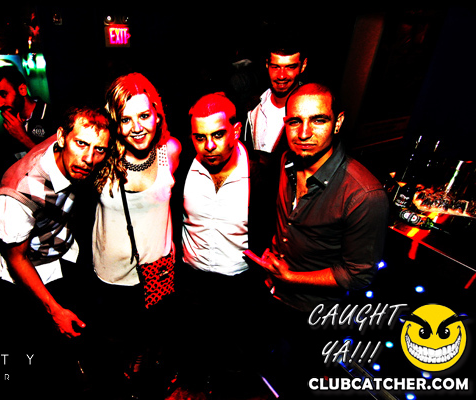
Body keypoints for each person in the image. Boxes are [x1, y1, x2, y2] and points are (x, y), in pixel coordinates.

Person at [245, 83, 389, 396]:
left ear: (338, 122)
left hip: (315, 314)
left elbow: (359, 275)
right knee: (265, 371)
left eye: (318, 120)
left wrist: (291, 276)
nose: (304, 132)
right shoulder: (286, 161)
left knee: (300, 381)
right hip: (272, 295)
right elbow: (288, 220)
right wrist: (274, 251)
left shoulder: (364, 195)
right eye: (295, 121)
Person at [172, 92, 274, 397]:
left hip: (239, 286)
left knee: (234, 366)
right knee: (192, 354)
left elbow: (275, 223)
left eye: (217, 135)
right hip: (192, 282)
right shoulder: (182, 167)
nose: (209, 146)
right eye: (199, 137)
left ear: (236, 129)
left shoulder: (261, 173)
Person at [91, 72, 181, 398]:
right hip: (112, 275)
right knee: (119, 346)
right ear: (115, 121)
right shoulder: (101, 158)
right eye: (126, 119)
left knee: (154, 339)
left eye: (144, 115)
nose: (137, 127)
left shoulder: (170, 151)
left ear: (157, 113)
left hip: (158, 270)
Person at [0, 106, 112, 342]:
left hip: (65, 252)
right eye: (81, 144)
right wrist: (54, 310)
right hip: (35, 272)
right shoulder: (17, 193)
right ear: (61, 137)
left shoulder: (71, 146)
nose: (89, 159)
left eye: (99, 149)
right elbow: (16, 258)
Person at [243, 41, 307, 165]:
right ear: (267, 64)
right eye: (275, 67)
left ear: (303, 66)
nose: (281, 76)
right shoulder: (253, 106)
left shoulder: (309, 113)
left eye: (290, 67)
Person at [0, 65, 55, 159]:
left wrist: (23, 138)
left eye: (3, 94)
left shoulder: (55, 116)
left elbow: (58, 163)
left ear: (22, 90)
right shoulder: (10, 126)